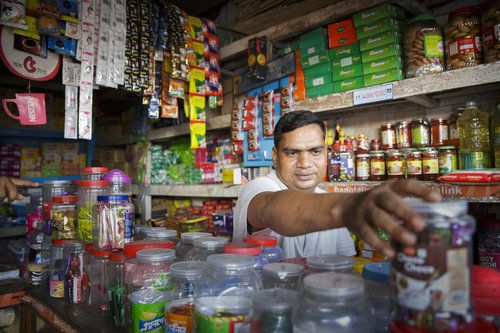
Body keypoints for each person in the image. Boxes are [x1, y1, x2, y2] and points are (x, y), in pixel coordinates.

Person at [233, 110, 441, 259]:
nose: (305, 164)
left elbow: (346, 263)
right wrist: (345, 207)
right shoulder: (259, 187)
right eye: (293, 153)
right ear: (276, 157)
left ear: (326, 154)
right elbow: (272, 207)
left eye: (315, 151)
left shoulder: (327, 199)